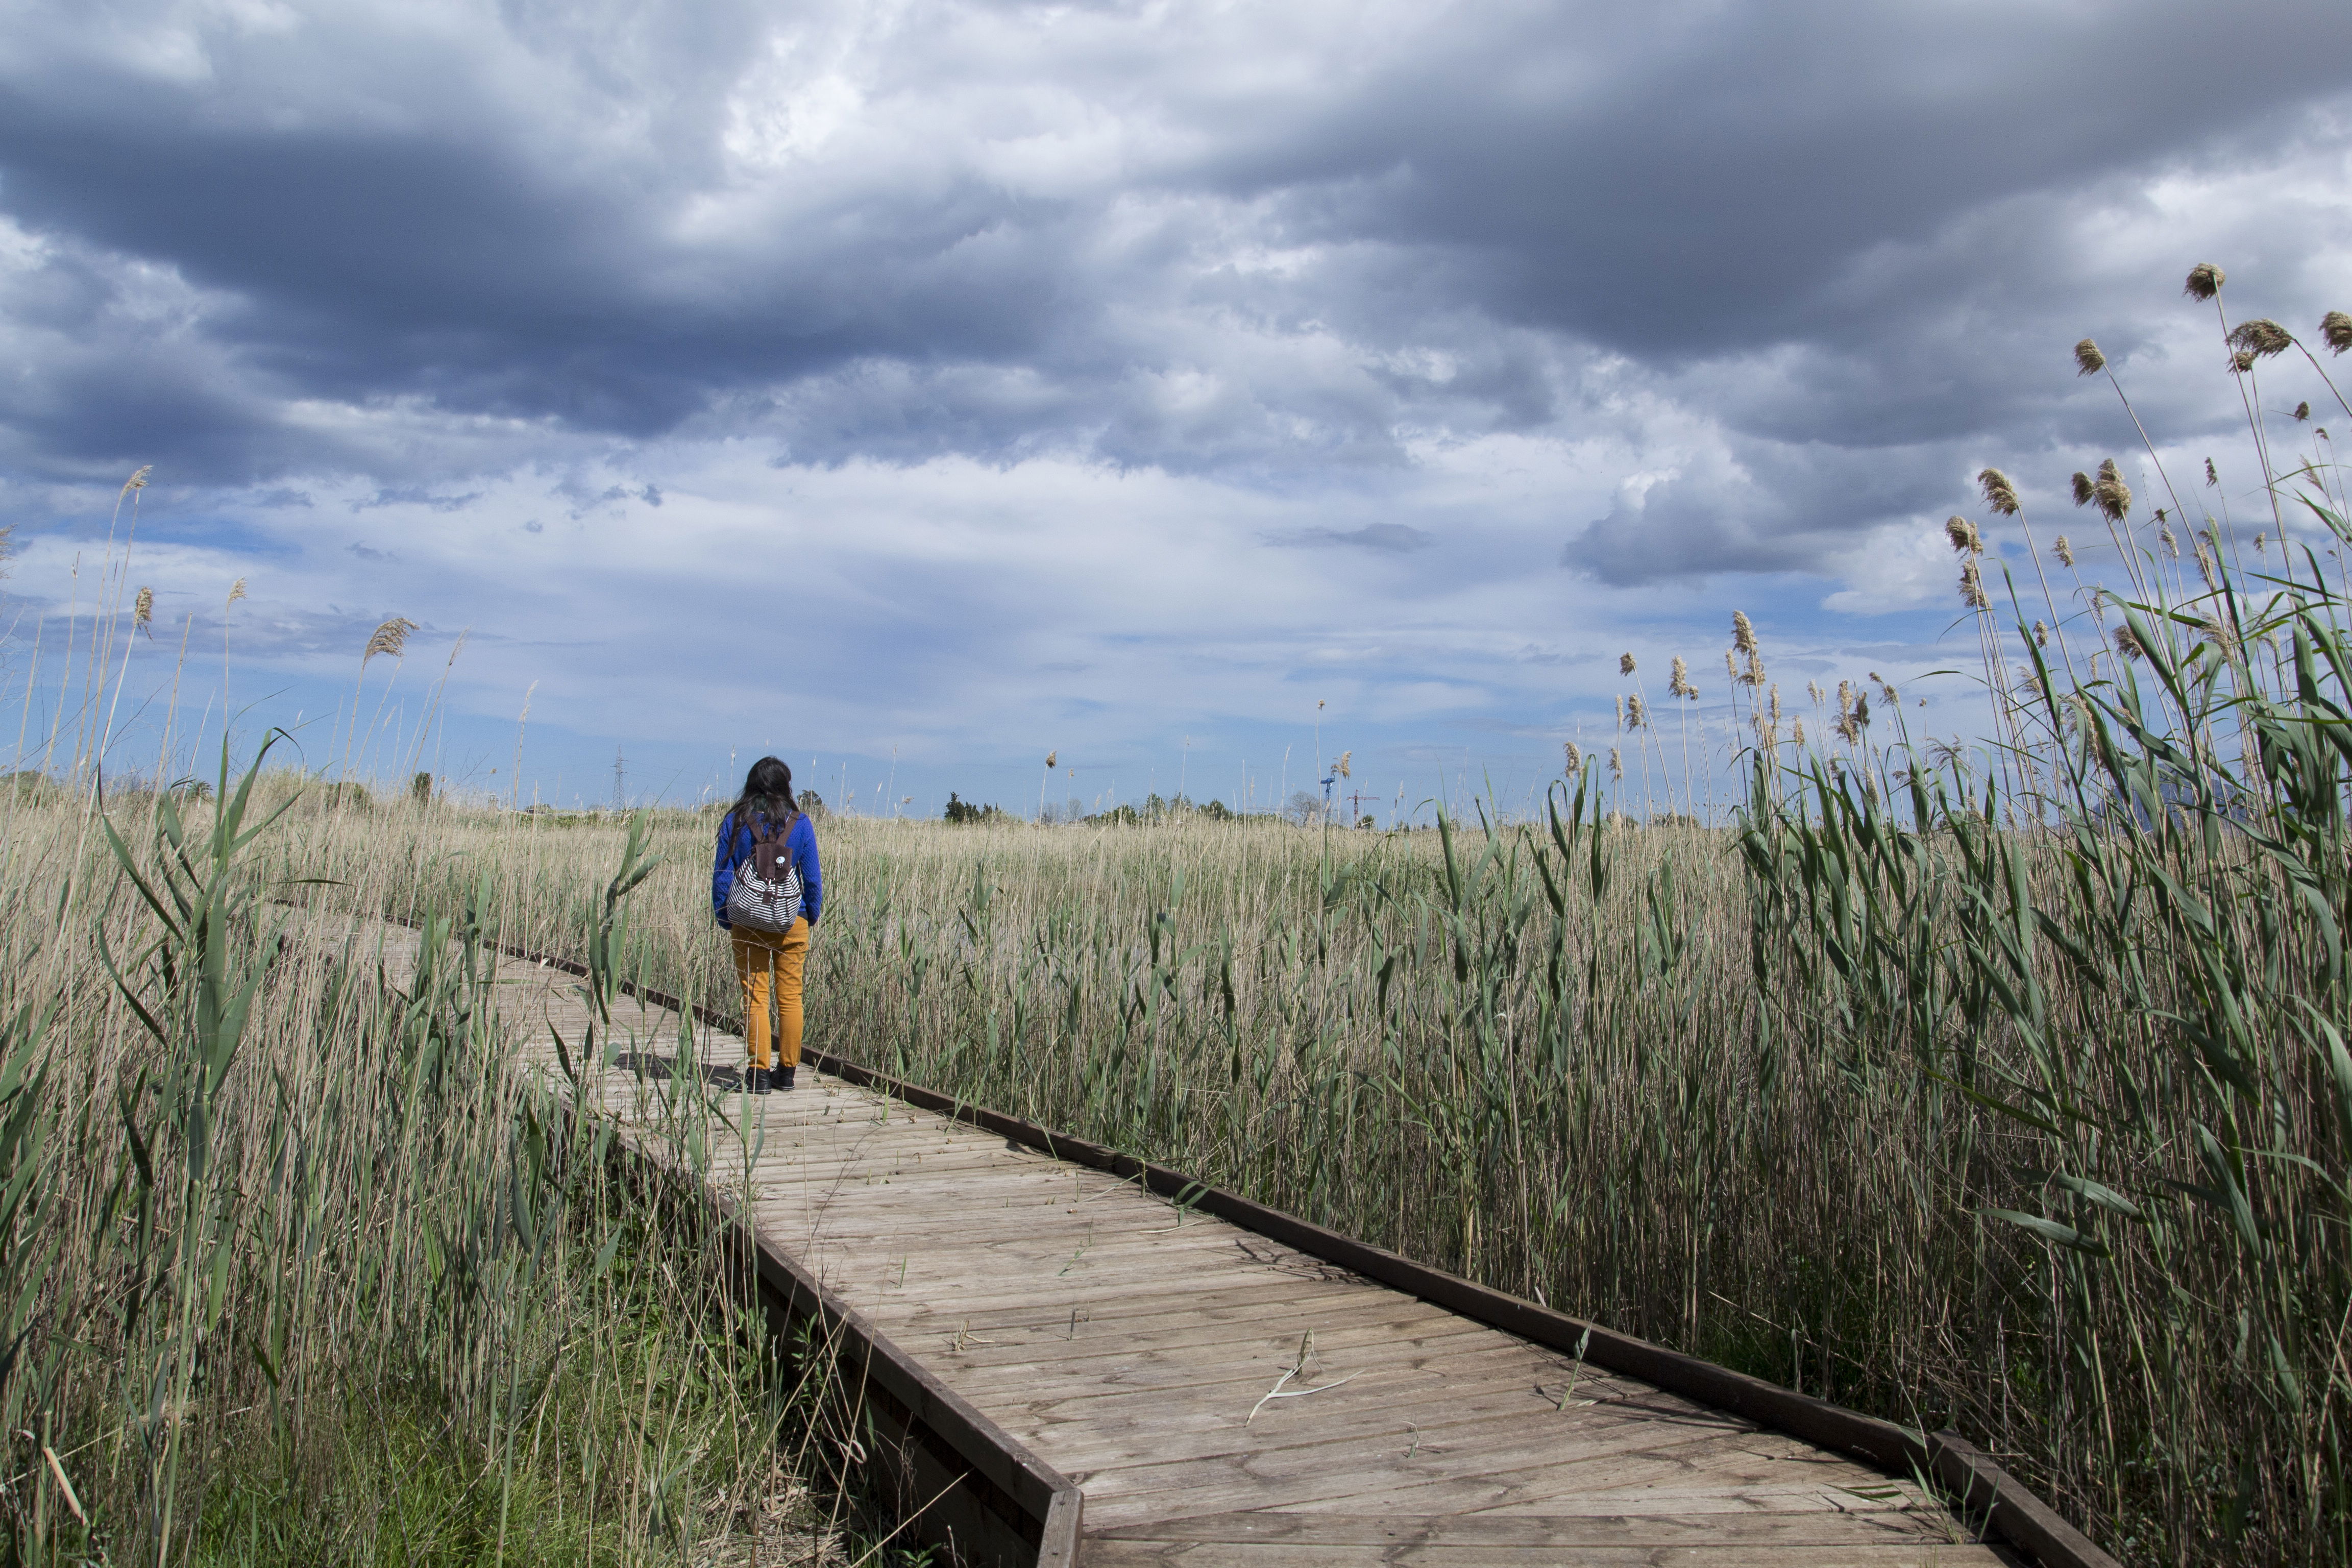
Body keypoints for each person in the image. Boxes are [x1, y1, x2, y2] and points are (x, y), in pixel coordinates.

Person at [710, 756, 823, 1092]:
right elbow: (813, 878)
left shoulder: (735, 820)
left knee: (755, 999)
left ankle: (758, 1074)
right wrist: (810, 914)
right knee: (790, 999)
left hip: (748, 923)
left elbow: (723, 874)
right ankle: (787, 1073)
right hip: (793, 920)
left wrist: (724, 914)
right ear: (786, 786)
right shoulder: (801, 823)